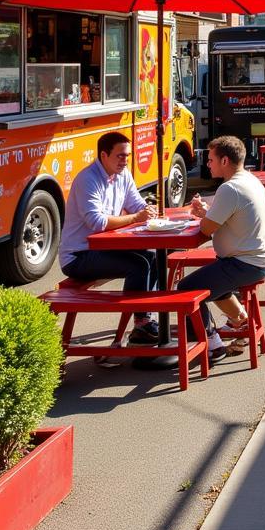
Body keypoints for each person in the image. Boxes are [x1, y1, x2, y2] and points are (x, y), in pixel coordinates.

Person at [59, 131, 159, 360]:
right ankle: (142, 323)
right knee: (138, 265)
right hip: (78, 256)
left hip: (102, 249)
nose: (125, 161)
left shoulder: (122, 174)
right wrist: (136, 218)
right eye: (120, 156)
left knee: (151, 257)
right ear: (104, 155)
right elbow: (97, 222)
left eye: (127, 156)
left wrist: (148, 211)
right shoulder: (87, 179)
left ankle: (145, 320)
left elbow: (136, 203)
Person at [184, 136, 265, 365]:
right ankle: (240, 320)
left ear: (224, 160)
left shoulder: (230, 188)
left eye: (211, 159)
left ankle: (211, 343)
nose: (208, 164)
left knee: (186, 289)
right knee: (212, 280)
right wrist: (207, 213)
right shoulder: (248, 179)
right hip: (258, 258)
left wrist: (203, 216)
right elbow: (225, 217)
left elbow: (206, 230)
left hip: (245, 263)